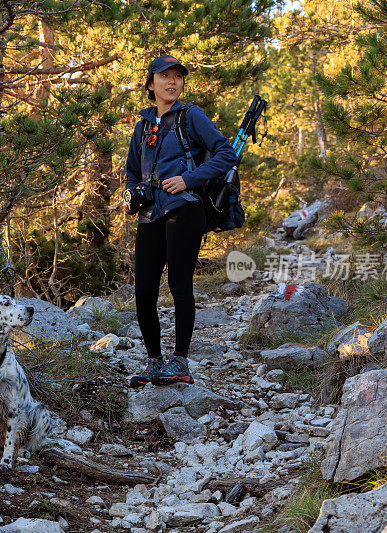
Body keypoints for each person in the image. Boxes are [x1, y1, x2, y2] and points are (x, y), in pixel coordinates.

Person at [124, 55, 237, 388]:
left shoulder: (192, 116)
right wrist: (133, 194)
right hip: (149, 215)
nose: (172, 82)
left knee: (179, 285)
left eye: (177, 77)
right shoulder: (143, 125)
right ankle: (154, 362)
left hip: (185, 209)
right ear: (150, 84)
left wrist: (189, 179)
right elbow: (131, 172)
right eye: (164, 76)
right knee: (144, 292)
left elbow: (225, 154)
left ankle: (180, 362)